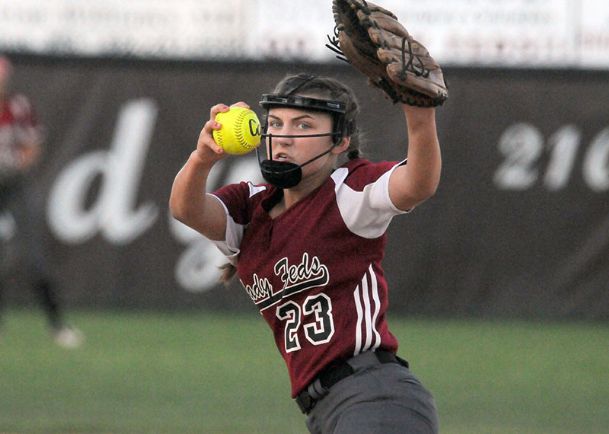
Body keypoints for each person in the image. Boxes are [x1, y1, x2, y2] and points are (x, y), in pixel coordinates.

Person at [170, 73, 440, 433]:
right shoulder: (251, 205)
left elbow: (417, 183)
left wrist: (419, 114)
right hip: (326, 410)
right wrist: (203, 157)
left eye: (303, 125)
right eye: (276, 123)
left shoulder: (348, 192)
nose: (283, 135)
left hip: (374, 396)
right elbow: (185, 208)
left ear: (340, 141)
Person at [0, 55, 83, 349]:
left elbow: (32, 145)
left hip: (14, 185)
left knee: (35, 256)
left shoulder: (17, 107)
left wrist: (16, 164)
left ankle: (57, 324)